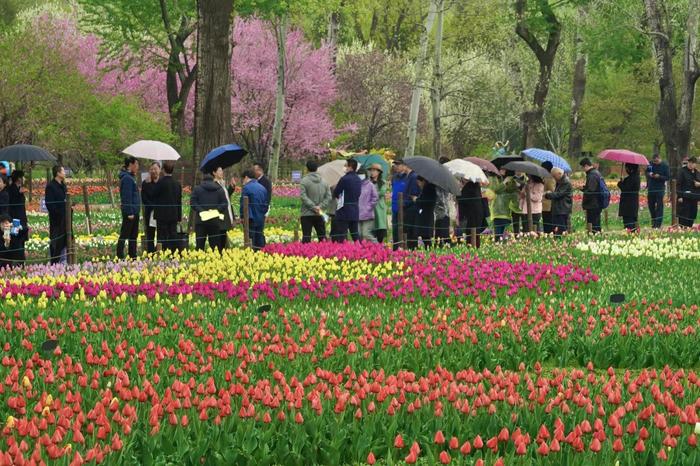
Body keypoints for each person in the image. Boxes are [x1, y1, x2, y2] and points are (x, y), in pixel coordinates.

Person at [190, 174, 228, 252]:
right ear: (213, 180)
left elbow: (193, 202)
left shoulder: (197, 189)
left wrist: (201, 210)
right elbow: (224, 203)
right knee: (215, 246)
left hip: (201, 221)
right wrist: (216, 211)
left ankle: (198, 260)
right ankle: (214, 261)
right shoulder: (219, 189)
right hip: (214, 221)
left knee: (200, 246)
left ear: (203, 180)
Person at [153, 161, 182, 253]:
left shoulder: (160, 183)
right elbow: (179, 201)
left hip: (161, 215)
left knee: (161, 236)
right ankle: (174, 253)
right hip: (173, 215)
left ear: (163, 170)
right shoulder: (177, 184)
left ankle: (161, 253)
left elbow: (153, 195)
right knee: (173, 235)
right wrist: (179, 216)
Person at [299, 160, 331, 243]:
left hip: (306, 213)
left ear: (307, 169)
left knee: (306, 237)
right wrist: (320, 207)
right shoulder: (324, 182)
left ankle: (305, 255)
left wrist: (313, 207)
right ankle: (325, 254)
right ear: (317, 169)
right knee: (322, 237)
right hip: (319, 213)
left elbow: (303, 196)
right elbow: (328, 197)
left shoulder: (304, 181)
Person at [331, 158, 362, 242]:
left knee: (342, 234)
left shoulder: (344, 179)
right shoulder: (358, 180)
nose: (344, 167)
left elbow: (337, 192)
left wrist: (335, 189)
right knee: (355, 233)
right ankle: (361, 249)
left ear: (350, 167)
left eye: (346, 165)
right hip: (355, 209)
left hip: (344, 209)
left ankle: (343, 252)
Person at [117, 157, 140, 259]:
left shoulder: (130, 177)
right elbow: (127, 196)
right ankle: (120, 255)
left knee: (133, 235)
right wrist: (130, 212)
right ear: (131, 165)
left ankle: (132, 255)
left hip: (134, 211)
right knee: (125, 234)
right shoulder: (127, 178)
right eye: (136, 164)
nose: (138, 167)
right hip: (130, 212)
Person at [240, 169, 269, 250]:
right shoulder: (262, 188)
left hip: (250, 218)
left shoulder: (246, 188)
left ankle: (251, 257)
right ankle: (262, 255)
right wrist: (263, 213)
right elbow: (266, 204)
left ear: (246, 177)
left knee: (250, 239)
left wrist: (242, 216)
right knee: (259, 237)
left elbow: (243, 205)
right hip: (260, 217)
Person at [45, 165, 67, 264]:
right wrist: (58, 214)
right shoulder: (51, 186)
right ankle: (54, 262)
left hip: (65, 218)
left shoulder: (63, 185)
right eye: (63, 171)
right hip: (56, 220)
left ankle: (64, 261)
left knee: (65, 240)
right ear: (58, 173)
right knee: (56, 241)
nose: (65, 173)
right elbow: (49, 204)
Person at [490, 169, 519, 242]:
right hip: (497, 212)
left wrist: (514, 183)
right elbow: (496, 190)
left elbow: (512, 191)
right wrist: (504, 181)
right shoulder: (495, 179)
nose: (502, 171)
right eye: (501, 169)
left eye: (504, 169)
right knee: (498, 237)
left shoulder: (511, 182)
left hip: (506, 213)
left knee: (505, 237)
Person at [545, 167, 573, 237]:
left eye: (554, 176)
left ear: (559, 173)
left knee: (561, 228)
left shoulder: (565, 182)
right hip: (559, 208)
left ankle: (562, 241)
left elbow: (559, 194)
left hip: (562, 209)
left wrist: (547, 195)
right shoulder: (560, 181)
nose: (554, 178)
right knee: (557, 228)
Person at [212, 166, 236, 250]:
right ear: (214, 173)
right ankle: (219, 253)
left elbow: (226, 197)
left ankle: (222, 252)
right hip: (220, 215)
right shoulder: (214, 185)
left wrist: (231, 187)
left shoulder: (222, 184)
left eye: (222, 171)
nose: (221, 172)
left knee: (223, 234)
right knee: (220, 235)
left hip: (225, 213)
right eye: (219, 171)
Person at [457, 179, 484, 248]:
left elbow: (462, 199)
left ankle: (471, 251)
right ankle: (476, 250)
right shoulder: (476, 186)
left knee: (470, 234)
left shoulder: (469, 186)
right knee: (476, 234)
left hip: (471, 215)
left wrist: (460, 190)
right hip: (478, 214)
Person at [141, 161, 160, 254]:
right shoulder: (145, 183)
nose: (153, 171)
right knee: (150, 235)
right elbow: (144, 199)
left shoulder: (162, 182)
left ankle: (160, 252)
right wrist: (153, 206)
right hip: (150, 212)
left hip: (161, 213)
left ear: (159, 170)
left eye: (155, 169)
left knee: (161, 234)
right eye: (151, 169)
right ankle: (151, 253)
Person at [645, 154, 669, 228]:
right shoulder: (650, 164)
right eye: (654, 161)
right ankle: (654, 220)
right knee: (651, 205)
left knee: (659, 206)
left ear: (659, 158)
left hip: (660, 188)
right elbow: (647, 172)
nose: (655, 162)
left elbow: (667, 177)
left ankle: (658, 224)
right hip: (651, 188)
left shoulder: (665, 166)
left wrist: (659, 176)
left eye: (657, 161)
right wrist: (649, 174)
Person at [580, 158, 603, 233]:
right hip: (596, 203)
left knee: (594, 224)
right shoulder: (595, 173)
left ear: (586, 166)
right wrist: (583, 188)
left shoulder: (592, 175)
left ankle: (595, 237)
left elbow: (591, 191)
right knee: (595, 223)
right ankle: (596, 236)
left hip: (593, 204)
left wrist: (584, 190)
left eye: (583, 167)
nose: (583, 169)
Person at [390, 160, 409, 250]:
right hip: (394, 208)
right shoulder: (394, 178)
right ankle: (395, 249)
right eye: (395, 164)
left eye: (398, 164)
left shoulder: (407, 178)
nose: (396, 166)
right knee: (395, 230)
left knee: (403, 230)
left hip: (404, 208)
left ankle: (403, 248)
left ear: (404, 165)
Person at [253, 162, 272, 248]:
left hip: (262, 209)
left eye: (255, 170)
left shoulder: (265, 181)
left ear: (260, 170)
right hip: (256, 209)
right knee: (257, 230)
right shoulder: (255, 180)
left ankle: (261, 247)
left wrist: (264, 209)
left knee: (259, 230)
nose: (253, 172)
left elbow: (267, 197)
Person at [677, 156, 700, 228]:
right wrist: (680, 195)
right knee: (684, 213)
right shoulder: (682, 171)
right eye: (689, 162)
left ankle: (689, 227)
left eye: (692, 163)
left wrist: (699, 184)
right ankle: (683, 228)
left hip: (694, 196)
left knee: (692, 213)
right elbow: (678, 184)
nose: (690, 164)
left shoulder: (697, 172)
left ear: (695, 164)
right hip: (684, 196)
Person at [414, 177, 437, 248]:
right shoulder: (430, 189)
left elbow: (423, 202)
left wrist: (416, 200)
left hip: (426, 216)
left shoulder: (428, 189)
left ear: (423, 181)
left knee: (426, 237)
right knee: (426, 236)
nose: (418, 185)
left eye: (419, 183)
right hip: (428, 215)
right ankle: (428, 249)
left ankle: (429, 250)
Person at [357, 168, 379, 242]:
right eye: (359, 175)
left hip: (367, 214)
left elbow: (375, 198)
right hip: (357, 213)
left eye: (362, 175)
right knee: (358, 234)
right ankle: (361, 250)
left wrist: (368, 207)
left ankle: (378, 246)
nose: (360, 176)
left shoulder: (370, 185)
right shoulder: (356, 185)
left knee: (365, 234)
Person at [402, 164, 421, 249]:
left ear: (407, 166)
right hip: (409, 207)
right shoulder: (408, 176)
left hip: (411, 208)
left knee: (411, 233)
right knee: (409, 232)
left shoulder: (413, 177)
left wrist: (405, 204)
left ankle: (412, 250)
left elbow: (413, 193)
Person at [368, 163, 388, 243]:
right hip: (370, 208)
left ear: (378, 172)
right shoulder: (368, 182)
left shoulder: (382, 182)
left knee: (380, 226)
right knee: (371, 228)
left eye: (374, 170)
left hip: (379, 207)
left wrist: (372, 194)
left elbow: (382, 193)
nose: (372, 172)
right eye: (371, 170)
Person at [434, 157, 452, 245]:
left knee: (442, 227)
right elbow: (439, 195)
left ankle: (442, 243)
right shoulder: (439, 176)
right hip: (440, 208)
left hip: (444, 208)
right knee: (441, 228)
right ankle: (443, 243)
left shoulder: (443, 176)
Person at [618, 163, 640, 231]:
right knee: (632, 221)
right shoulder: (636, 177)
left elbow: (626, 189)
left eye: (626, 168)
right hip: (633, 203)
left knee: (628, 222)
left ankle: (629, 234)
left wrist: (620, 184)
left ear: (630, 169)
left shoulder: (631, 179)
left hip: (627, 204)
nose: (626, 170)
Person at [540, 162, 556, 233]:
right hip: (544, 204)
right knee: (545, 222)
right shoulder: (545, 177)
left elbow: (552, 191)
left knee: (548, 222)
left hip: (548, 205)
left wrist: (543, 193)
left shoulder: (550, 178)